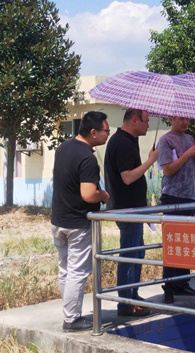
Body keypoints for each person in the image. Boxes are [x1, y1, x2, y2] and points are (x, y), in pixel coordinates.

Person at [51, 111, 111, 332]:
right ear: (93, 132)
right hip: (78, 223)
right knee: (77, 271)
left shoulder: (63, 148)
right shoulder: (87, 158)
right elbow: (88, 194)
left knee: (65, 270)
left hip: (59, 219)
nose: (108, 134)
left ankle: (69, 313)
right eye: (106, 130)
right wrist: (103, 195)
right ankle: (71, 319)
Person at [104, 109, 159, 317]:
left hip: (133, 207)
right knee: (130, 254)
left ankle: (132, 295)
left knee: (137, 252)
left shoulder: (128, 140)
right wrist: (150, 161)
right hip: (127, 208)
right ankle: (126, 302)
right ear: (135, 121)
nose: (148, 125)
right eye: (146, 121)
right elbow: (127, 177)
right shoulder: (123, 143)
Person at [156, 116, 195, 302]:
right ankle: (169, 286)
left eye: (188, 119)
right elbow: (168, 170)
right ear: (171, 118)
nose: (185, 122)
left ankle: (183, 283)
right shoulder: (165, 140)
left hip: (189, 196)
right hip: (172, 196)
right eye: (181, 119)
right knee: (173, 241)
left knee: (187, 242)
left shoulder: (190, 138)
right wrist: (188, 153)